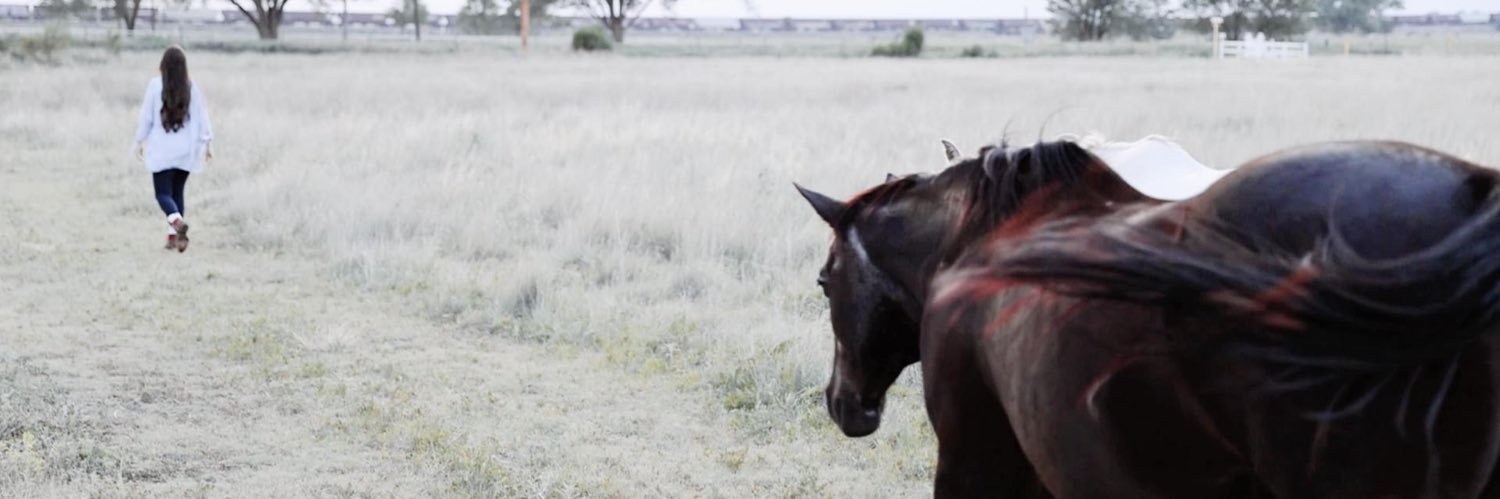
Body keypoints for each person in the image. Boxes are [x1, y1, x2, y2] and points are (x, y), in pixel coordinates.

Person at [133, 45, 213, 253]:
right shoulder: (191, 88)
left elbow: (147, 118)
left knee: (162, 194)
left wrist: (139, 140)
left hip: (162, 150)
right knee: (177, 193)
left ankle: (177, 224)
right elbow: (202, 117)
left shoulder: (154, 86)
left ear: (163, 65)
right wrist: (207, 143)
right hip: (186, 151)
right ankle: (175, 238)